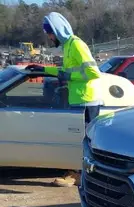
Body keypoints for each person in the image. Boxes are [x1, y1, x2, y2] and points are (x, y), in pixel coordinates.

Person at [26, 12, 101, 187]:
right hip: (77, 100)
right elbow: (64, 72)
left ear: (57, 30)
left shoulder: (77, 45)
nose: (49, 37)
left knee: (87, 141)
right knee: (80, 140)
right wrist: (43, 69)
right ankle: (78, 172)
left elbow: (92, 73)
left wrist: (69, 77)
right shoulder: (67, 46)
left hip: (86, 101)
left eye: (50, 33)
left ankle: (83, 176)